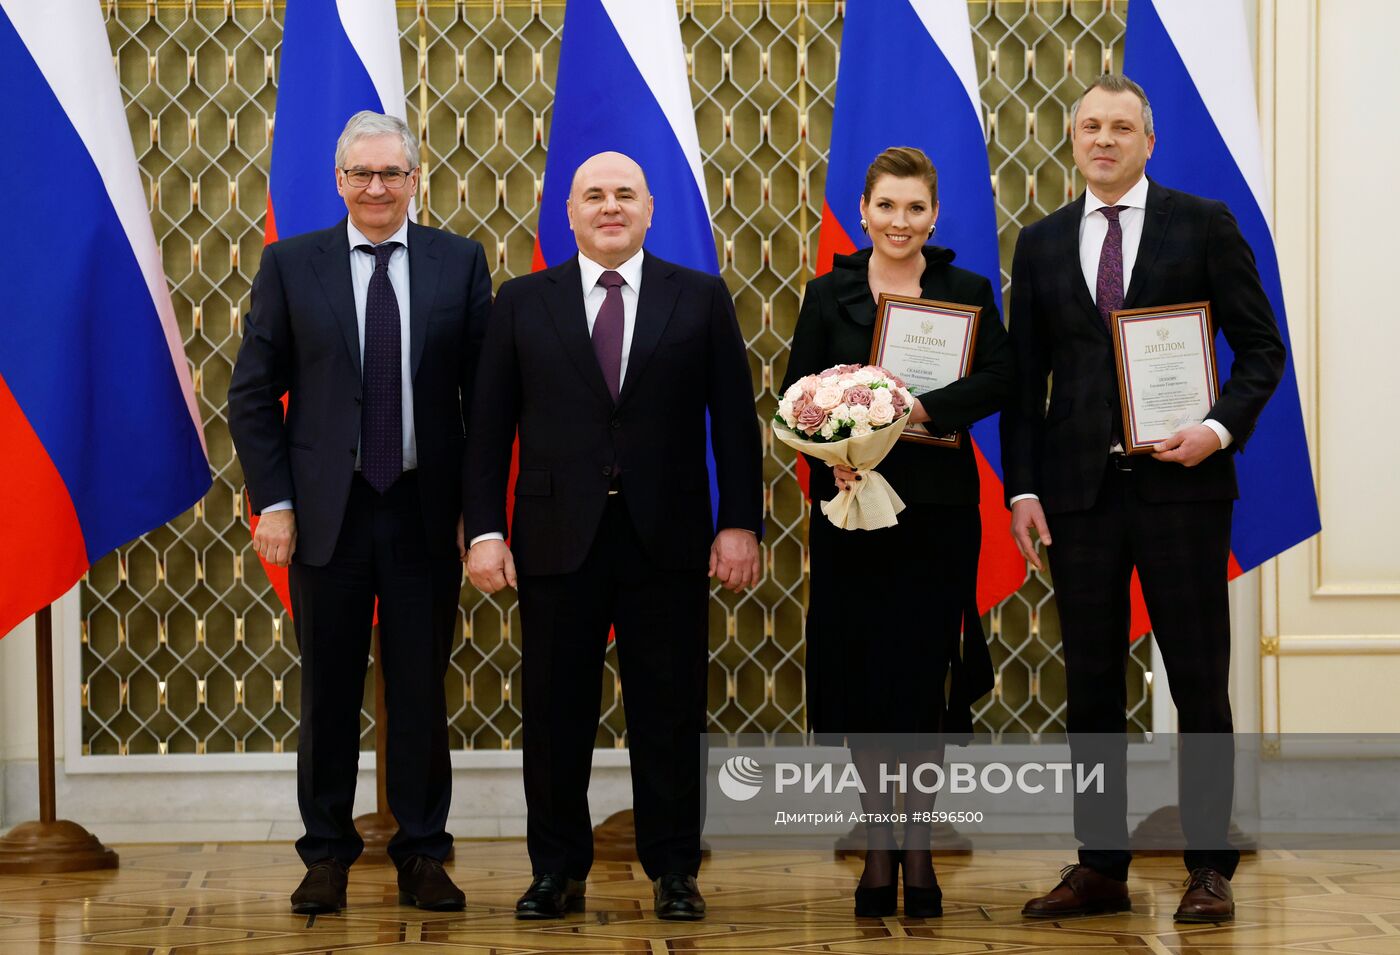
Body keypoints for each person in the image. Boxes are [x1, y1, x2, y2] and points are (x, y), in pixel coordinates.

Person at [1001, 74, 1285, 923]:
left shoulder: (1202, 224)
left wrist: (1216, 429)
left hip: (1184, 491)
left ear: (1148, 141)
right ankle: (1099, 867)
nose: (1105, 139)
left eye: (1122, 127)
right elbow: (1024, 383)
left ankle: (1207, 867)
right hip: (1079, 497)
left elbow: (1262, 350)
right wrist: (1021, 487)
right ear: (1073, 137)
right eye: (1091, 125)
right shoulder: (1043, 241)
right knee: (1089, 684)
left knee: (1199, 680)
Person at [464, 151, 763, 922]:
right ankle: (554, 871)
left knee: (669, 712)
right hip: (556, 537)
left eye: (624, 194)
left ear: (650, 209)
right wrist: (487, 531)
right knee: (556, 712)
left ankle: (674, 870)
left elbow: (734, 423)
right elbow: (489, 430)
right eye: (593, 195)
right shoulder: (521, 301)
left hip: (667, 537)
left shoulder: (697, 297)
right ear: (567, 212)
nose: (609, 206)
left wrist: (739, 522)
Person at [228, 111, 491, 914]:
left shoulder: (458, 261)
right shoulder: (290, 264)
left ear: (415, 180)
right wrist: (274, 501)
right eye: (361, 174)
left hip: (422, 509)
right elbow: (251, 398)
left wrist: (476, 512)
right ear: (339, 182)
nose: (376, 188)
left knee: (419, 689)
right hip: (324, 514)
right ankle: (326, 855)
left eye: (391, 174)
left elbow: (485, 401)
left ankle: (422, 852)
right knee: (329, 692)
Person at [780, 146, 1012, 919]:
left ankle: (919, 846)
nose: (901, 222)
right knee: (865, 677)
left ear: (934, 214)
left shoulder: (965, 290)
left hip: (940, 512)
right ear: (865, 210)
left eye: (915, 208)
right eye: (887, 206)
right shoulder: (828, 293)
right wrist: (833, 460)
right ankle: (879, 847)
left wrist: (922, 409)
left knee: (923, 679)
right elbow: (797, 399)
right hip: (854, 511)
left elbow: (1001, 377)